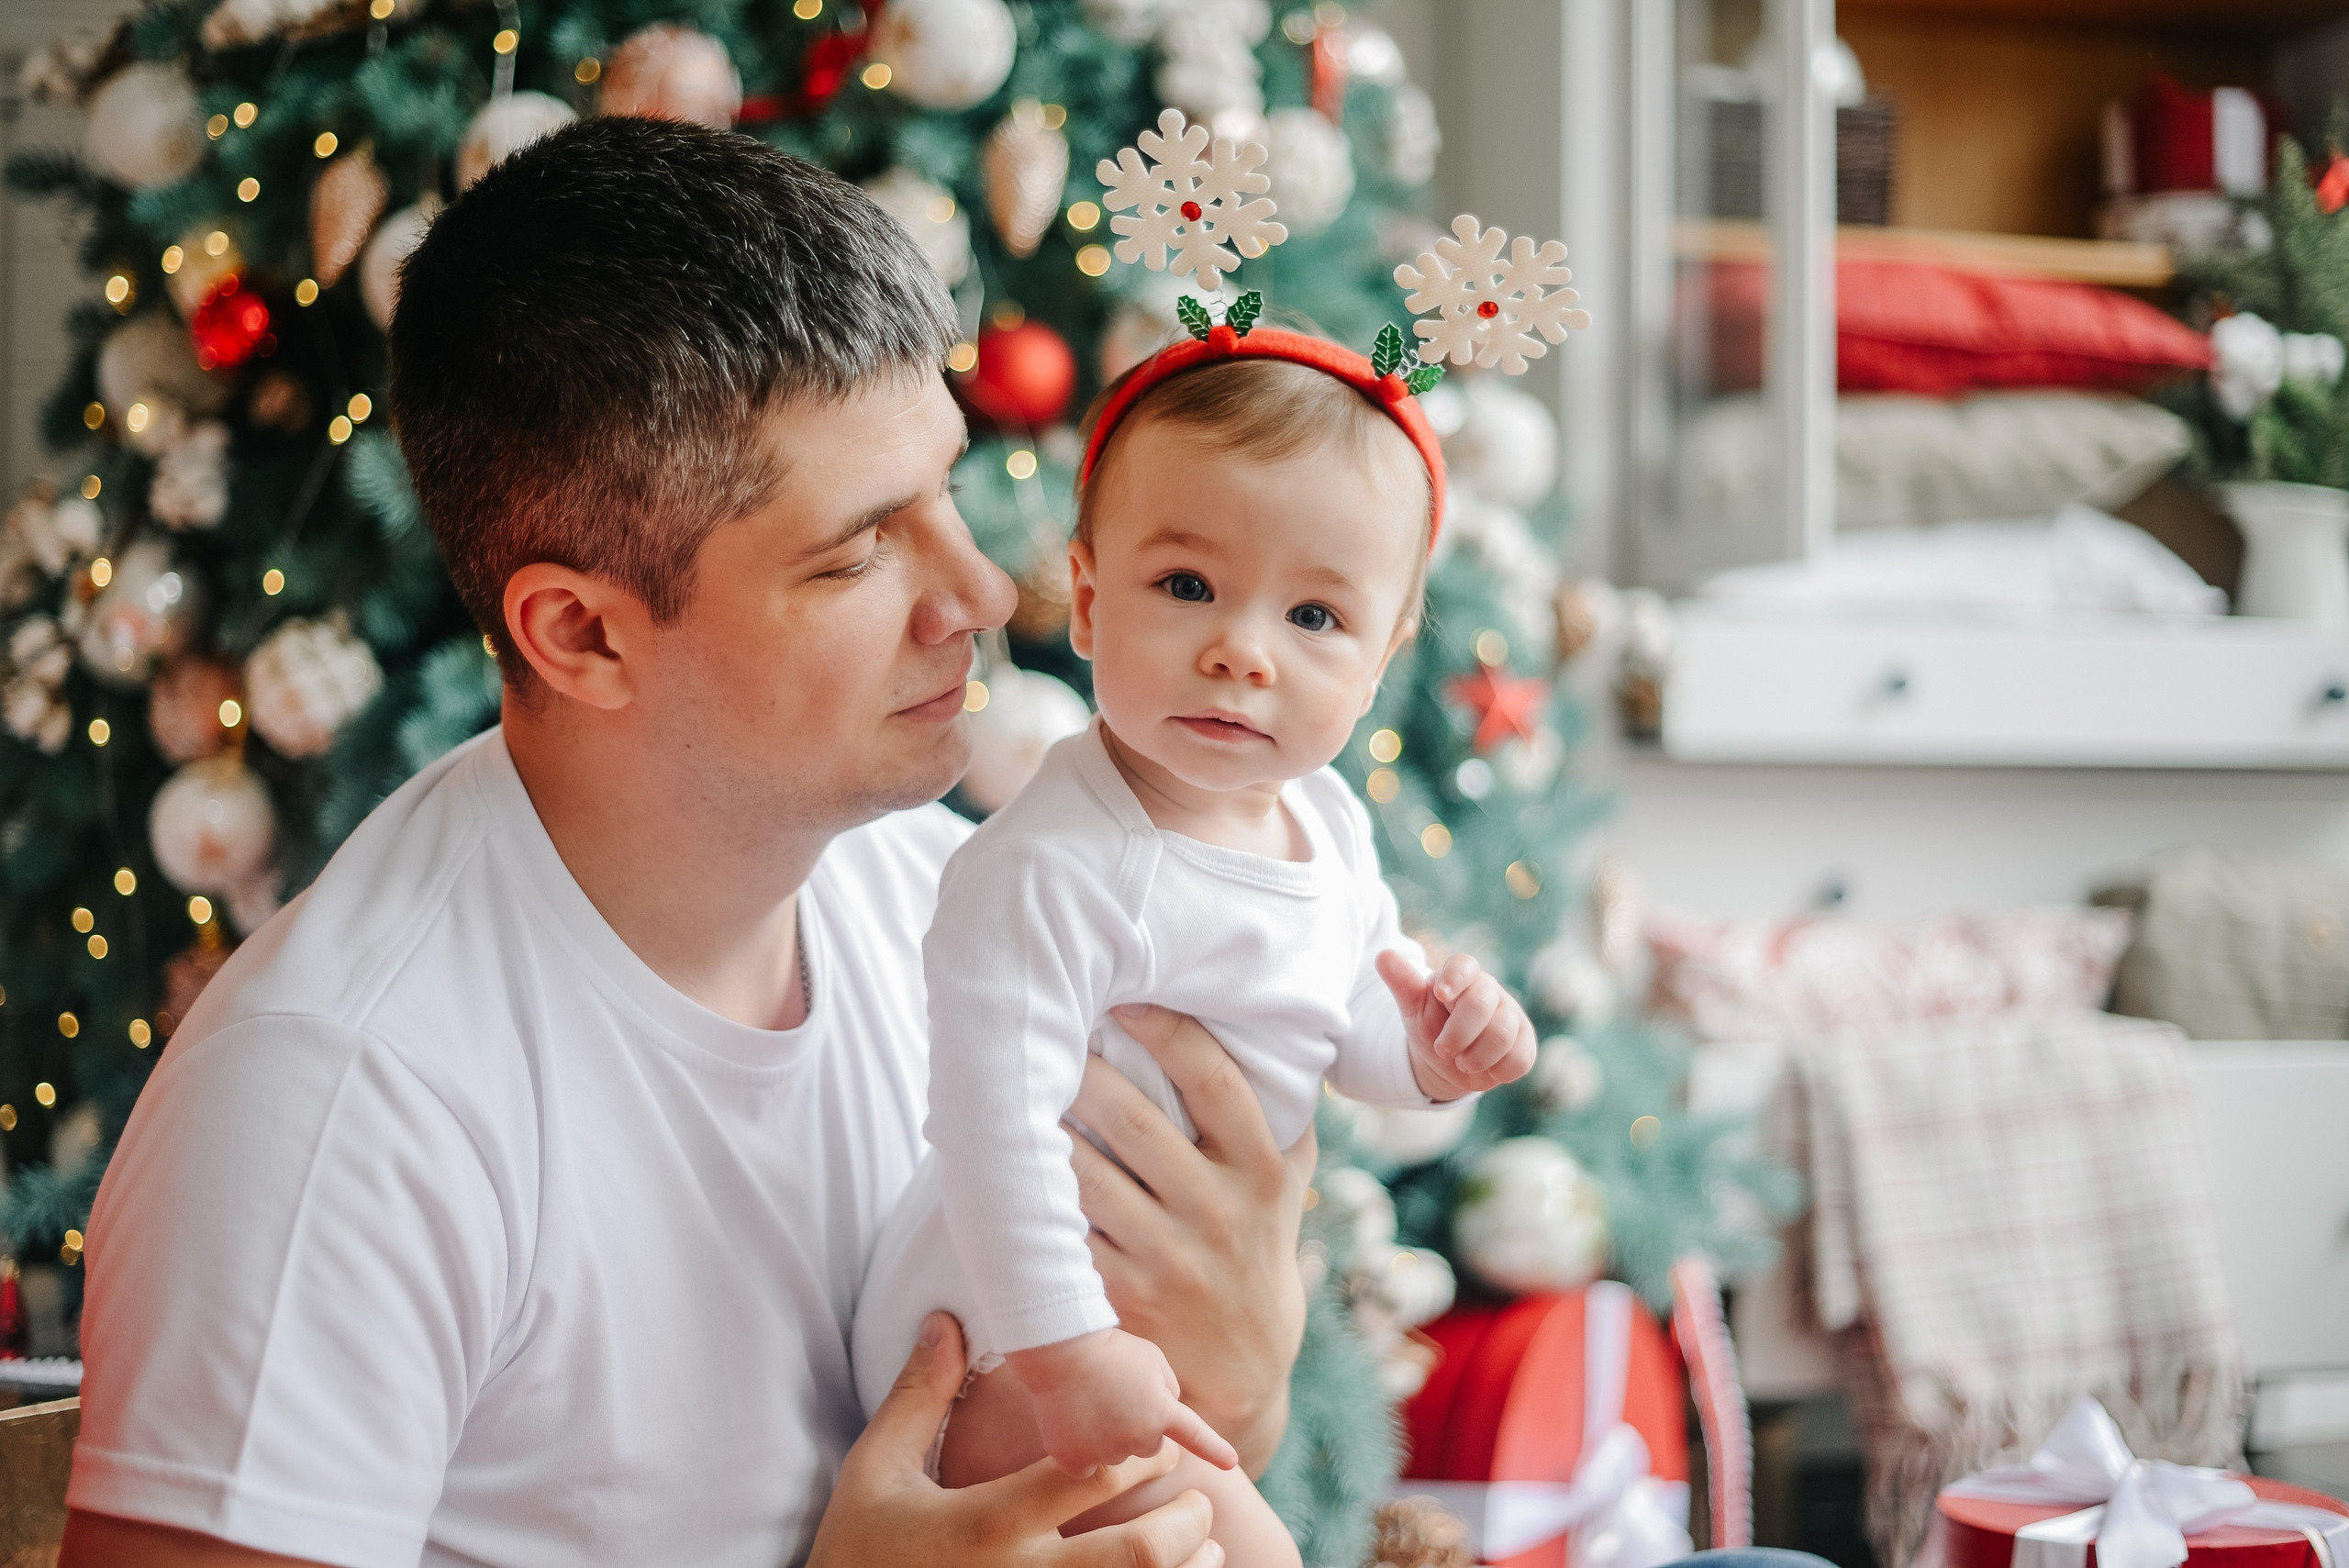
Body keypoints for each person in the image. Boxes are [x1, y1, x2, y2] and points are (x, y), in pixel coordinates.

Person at [55, 117, 1311, 1568]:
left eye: (948, 487)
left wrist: (1243, 1381)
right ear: (581, 631)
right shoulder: (339, 1112)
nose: (978, 590)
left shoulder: (949, 908)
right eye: (855, 552)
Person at [851, 339, 1540, 1565]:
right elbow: (988, 1122)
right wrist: (1065, 1348)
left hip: (1129, 1332)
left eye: (1316, 614)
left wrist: (1435, 1050)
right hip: (996, 1331)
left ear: (1384, 658)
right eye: (1186, 585)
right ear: (1092, 590)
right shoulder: (1055, 861)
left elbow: (1357, 1030)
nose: (1243, 650)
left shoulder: (1322, 822)